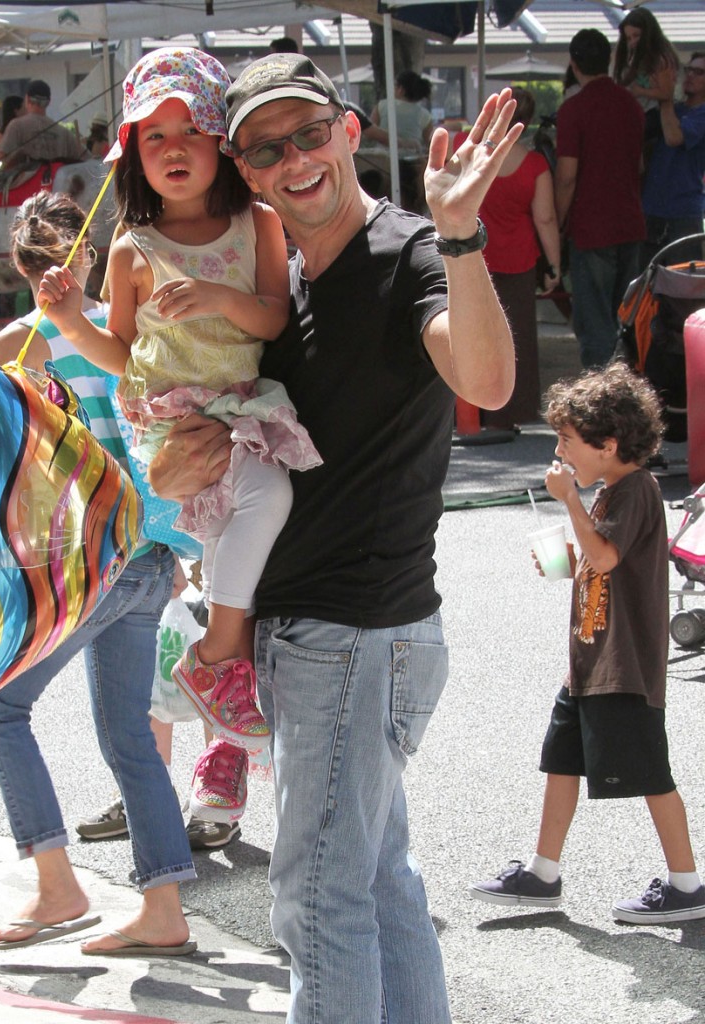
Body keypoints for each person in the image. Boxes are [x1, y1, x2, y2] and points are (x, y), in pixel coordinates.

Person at [147, 51, 521, 1024]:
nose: (294, 159)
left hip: (353, 635)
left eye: (309, 134)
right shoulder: (283, 291)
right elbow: (223, 455)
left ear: (347, 133)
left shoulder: (411, 256)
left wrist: (464, 233)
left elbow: (483, 380)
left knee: (315, 900)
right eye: (266, 149)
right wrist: (185, 458)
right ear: (247, 168)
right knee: (374, 881)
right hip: (327, 637)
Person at [37, 48, 321, 763]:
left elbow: (274, 320)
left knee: (243, 524)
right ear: (133, 154)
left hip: (241, 408)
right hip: (166, 423)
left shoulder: (257, 222)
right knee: (262, 501)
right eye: (153, 136)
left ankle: (216, 679)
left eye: (189, 130)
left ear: (221, 145)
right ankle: (219, 662)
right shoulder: (131, 247)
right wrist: (73, 324)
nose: (172, 149)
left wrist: (221, 298)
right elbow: (122, 354)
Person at [0, 190, 197, 958]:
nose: (44, 276)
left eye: (39, 263)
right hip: (148, 549)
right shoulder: (127, 336)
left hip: (88, 557)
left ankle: (58, 883)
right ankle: (162, 905)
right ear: (88, 258)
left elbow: (8, 464)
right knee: (130, 735)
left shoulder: (19, 342)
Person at [469, 363, 705, 925]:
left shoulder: (635, 489)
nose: (560, 450)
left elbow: (608, 556)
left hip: (623, 667)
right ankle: (542, 872)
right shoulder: (610, 493)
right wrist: (569, 561)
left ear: (609, 443)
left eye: (568, 440)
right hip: (590, 663)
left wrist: (569, 502)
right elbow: (600, 561)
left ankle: (687, 885)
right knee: (561, 763)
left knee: (651, 773)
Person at [465, 87, 563, 429]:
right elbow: (545, 218)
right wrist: (555, 265)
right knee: (516, 338)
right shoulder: (535, 164)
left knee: (470, 336)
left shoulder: (468, 150)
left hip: (472, 255)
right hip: (518, 260)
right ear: (529, 121)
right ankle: (513, 413)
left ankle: (469, 414)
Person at [555, 29, 646, 369]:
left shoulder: (573, 110)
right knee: (625, 320)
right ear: (608, 60)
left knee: (594, 323)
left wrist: (558, 222)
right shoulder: (631, 105)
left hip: (591, 225)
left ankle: (601, 401)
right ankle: (627, 392)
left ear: (573, 64)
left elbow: (566, 176)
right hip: (630, 221)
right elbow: (639, 164)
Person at [641, 52, 705, 258]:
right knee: (648, 285)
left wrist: (664, 96)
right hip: (652, 209)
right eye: (689, 70)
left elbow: (674, 137)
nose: (690, 75)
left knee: (682, 287)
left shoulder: (701, 114)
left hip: (684, 213)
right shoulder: (674, 109)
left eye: (699, 72)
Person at [0, 79, 87, 168]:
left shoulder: (16, 126)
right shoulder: (64, 133)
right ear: (49, 102)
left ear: (27, 99)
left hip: (27, 183)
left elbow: (0, 160)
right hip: (56, 182)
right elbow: (86, 158)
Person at [613, 8, 680, 116]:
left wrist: (640, 91)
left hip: (656, 116)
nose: (632, 42)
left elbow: (667, 93)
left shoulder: (661, 59)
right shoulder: (636, 58)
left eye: (636, 35)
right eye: (629, 38)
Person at [370, 69, 434, 153]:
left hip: (383, 157)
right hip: (412, 158)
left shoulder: (382, 105)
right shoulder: (425, 115)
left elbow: (370, 129)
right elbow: (429, 142)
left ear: (401, 89)